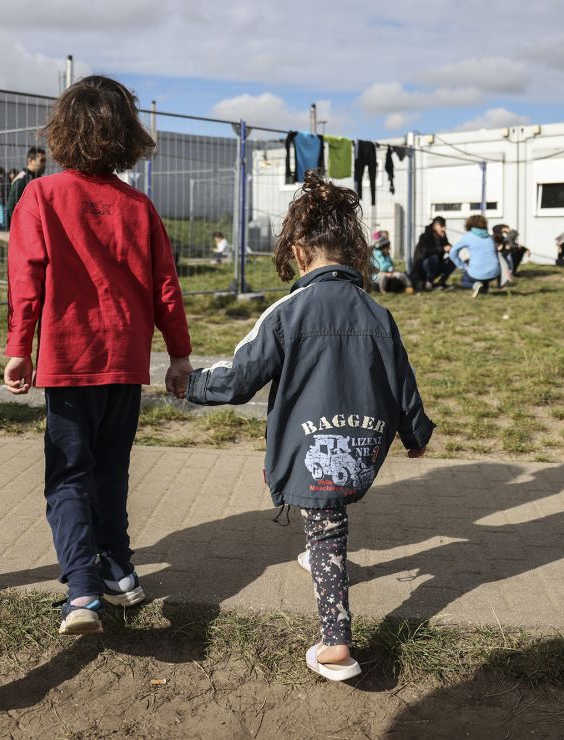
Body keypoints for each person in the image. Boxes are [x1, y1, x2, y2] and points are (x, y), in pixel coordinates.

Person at [185, 172, 434, 683]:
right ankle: (317, 562)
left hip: (310, 448)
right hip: (362, 443)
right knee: (328, 524)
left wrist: (189, 386)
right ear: (355, 252)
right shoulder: (377, 312)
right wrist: (415, 433)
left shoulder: (287, 312)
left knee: (326, 534)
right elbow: (402, 380)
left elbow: (237, 378)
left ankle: (337, 643)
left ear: (298, 251)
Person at [3, 76, 193, 636]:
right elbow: (166, 286)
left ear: (62, 132)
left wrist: (18, 349)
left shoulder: (40, 195)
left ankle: (82, 589)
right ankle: (121, 570)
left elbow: (26, 278)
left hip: (68, 360)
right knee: (112, 469)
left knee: (68, 476)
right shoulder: (138, 205)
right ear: (126, 137)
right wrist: (178, 355)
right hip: (127, 362)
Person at [448, 214, 501, 297]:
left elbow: (452, 252)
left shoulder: (468, 236)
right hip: (494, 272)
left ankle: (475, 285)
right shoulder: (489, 237)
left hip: (477, 272)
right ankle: (484, 290)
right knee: (483, 274)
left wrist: (462, 266)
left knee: (464, 280)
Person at [5, 147, 47, 229]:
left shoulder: (38, 178)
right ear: (30, 161)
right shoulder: (21, 179)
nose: (44, 164)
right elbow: (11, 207)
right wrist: (23, 226)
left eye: (45, 161)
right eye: (41, 160)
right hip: (26, 228)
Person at [410, 216, 455, 290]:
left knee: (453, 259)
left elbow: (447, 247)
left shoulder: (442, 237)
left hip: (436, 266)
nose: (444, 229)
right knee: (434, 258)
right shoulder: (424, 237)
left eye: (444, 226)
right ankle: (428, 283)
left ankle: (441, 282)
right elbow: (425, 252)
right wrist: (442, 248)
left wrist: (451, 248)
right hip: (423, 268)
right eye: (442, 226)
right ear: (435, 226)